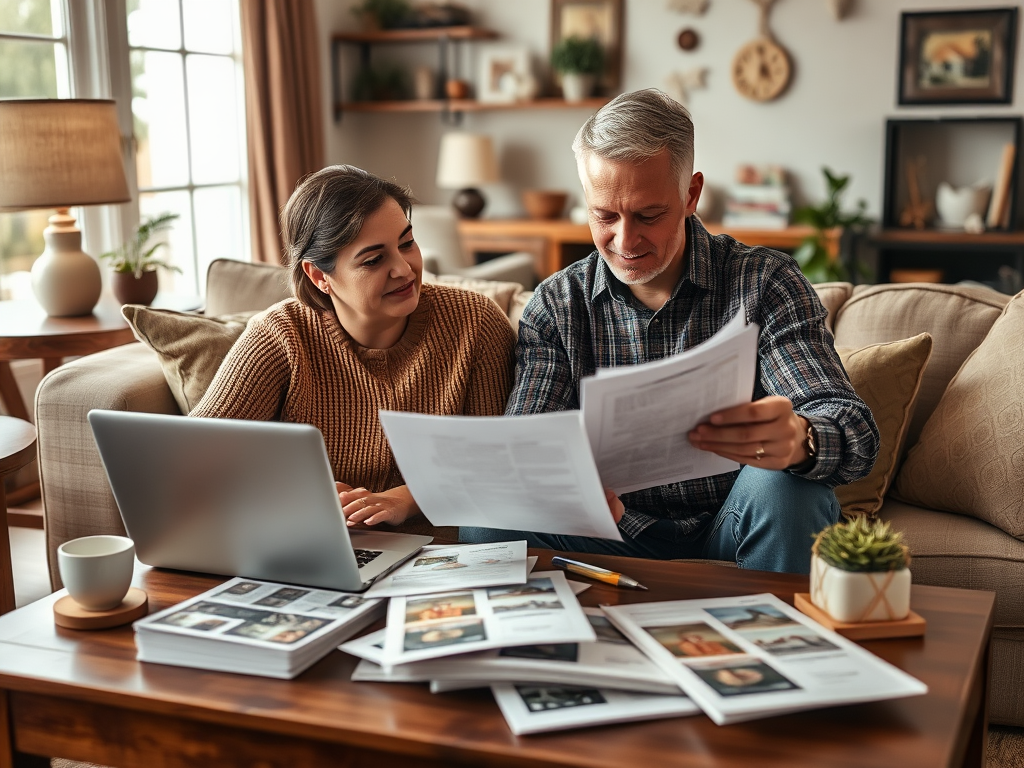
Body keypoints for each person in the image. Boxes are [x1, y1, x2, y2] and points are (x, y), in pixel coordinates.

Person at [460, 90, 878, 574]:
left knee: (787, 487)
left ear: (690, 195)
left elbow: (853, 429)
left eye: (648, 215)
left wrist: (802, 438)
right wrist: (562, 485)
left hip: (734, 523)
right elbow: (525, 443)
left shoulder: (763, 283)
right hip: (607, 530)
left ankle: (771, 640)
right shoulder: (556, 305)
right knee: (486, 519)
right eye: (604, 215)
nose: (625, 240)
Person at [192, 165, 516, 530]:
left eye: (406, 243)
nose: (404, 270)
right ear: (319, 276)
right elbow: (195, 458)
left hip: (447, 544)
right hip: (320, 542)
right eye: (374, 260)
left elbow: (499, 463)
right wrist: (294, 492)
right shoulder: (281, 335)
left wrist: (406, 498)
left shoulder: (475, 323)